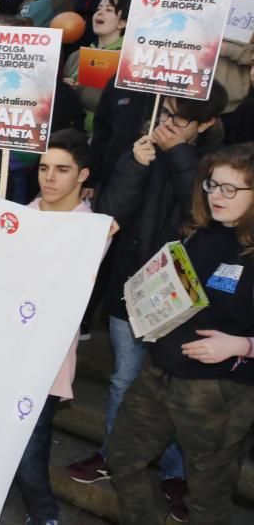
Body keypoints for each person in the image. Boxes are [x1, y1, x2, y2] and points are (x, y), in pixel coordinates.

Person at [67, 83, 229, 523]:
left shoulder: (215, 166)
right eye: (165, 115)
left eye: (179, 120)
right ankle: (111, 454)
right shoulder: (141, 149)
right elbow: (112, 210)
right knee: (123, 379)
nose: (166, 126)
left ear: (206, 124)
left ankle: (174, 475)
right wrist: (135, 166)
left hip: (184, 297)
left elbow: (201, 216)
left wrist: (176, 155)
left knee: (174, 388)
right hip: (130, 285)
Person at [107, 143, 254, 523]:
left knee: (207, 501)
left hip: (218, 393)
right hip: (158, 374)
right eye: (212, 185)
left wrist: (243, 345)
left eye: (231, 189)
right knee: (123, 459)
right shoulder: (201, 233)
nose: (217, 196)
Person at [14, 129, 112, 525]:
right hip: (3, 351)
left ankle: (45, 515)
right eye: (43, 168)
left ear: (82, 175)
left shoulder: (91, 229)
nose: (49, 178)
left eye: (62, 170)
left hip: (46, 358)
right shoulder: (24, 213)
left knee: (29, 449)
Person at [62, 0, 128, 117]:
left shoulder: (128, 60)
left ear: (122, 23)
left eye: (108, 9)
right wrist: (63, 85)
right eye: (98, 8)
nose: (100, 13)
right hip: (72, 127)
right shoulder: (76, 55)